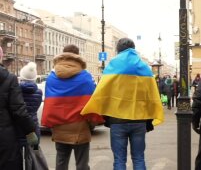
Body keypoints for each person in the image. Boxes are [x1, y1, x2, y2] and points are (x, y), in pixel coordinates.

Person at [81, 38, 164, 170]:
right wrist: (149, 118)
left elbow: (102, 92)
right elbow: (151, 96)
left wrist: (105, 116)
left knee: (119, 160)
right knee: (139, 158)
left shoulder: (113, 65)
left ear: (118, 50)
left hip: (117, 121)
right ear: (133, 49)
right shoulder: (144, 67)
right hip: (139, 120)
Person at [41, 44, 104, 170]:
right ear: (78, 56)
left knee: (61, 162)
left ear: (63, 55)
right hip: (80, 126)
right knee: (82, 164)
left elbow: (50, 103)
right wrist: (92, 122)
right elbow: (93, 102)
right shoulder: (85, 77)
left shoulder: (52, 78)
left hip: (59, 126)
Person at [0, 47, 38, 169]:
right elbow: (19, 111)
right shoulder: (9, 79)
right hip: (4, 138)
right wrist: (30, 131)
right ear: (1, 57)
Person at [18, 62, 43, 145]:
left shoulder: (15, 91)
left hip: (18, 125)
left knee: (17, 153)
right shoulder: (39, 92)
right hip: (33, 125)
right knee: (33, 152)